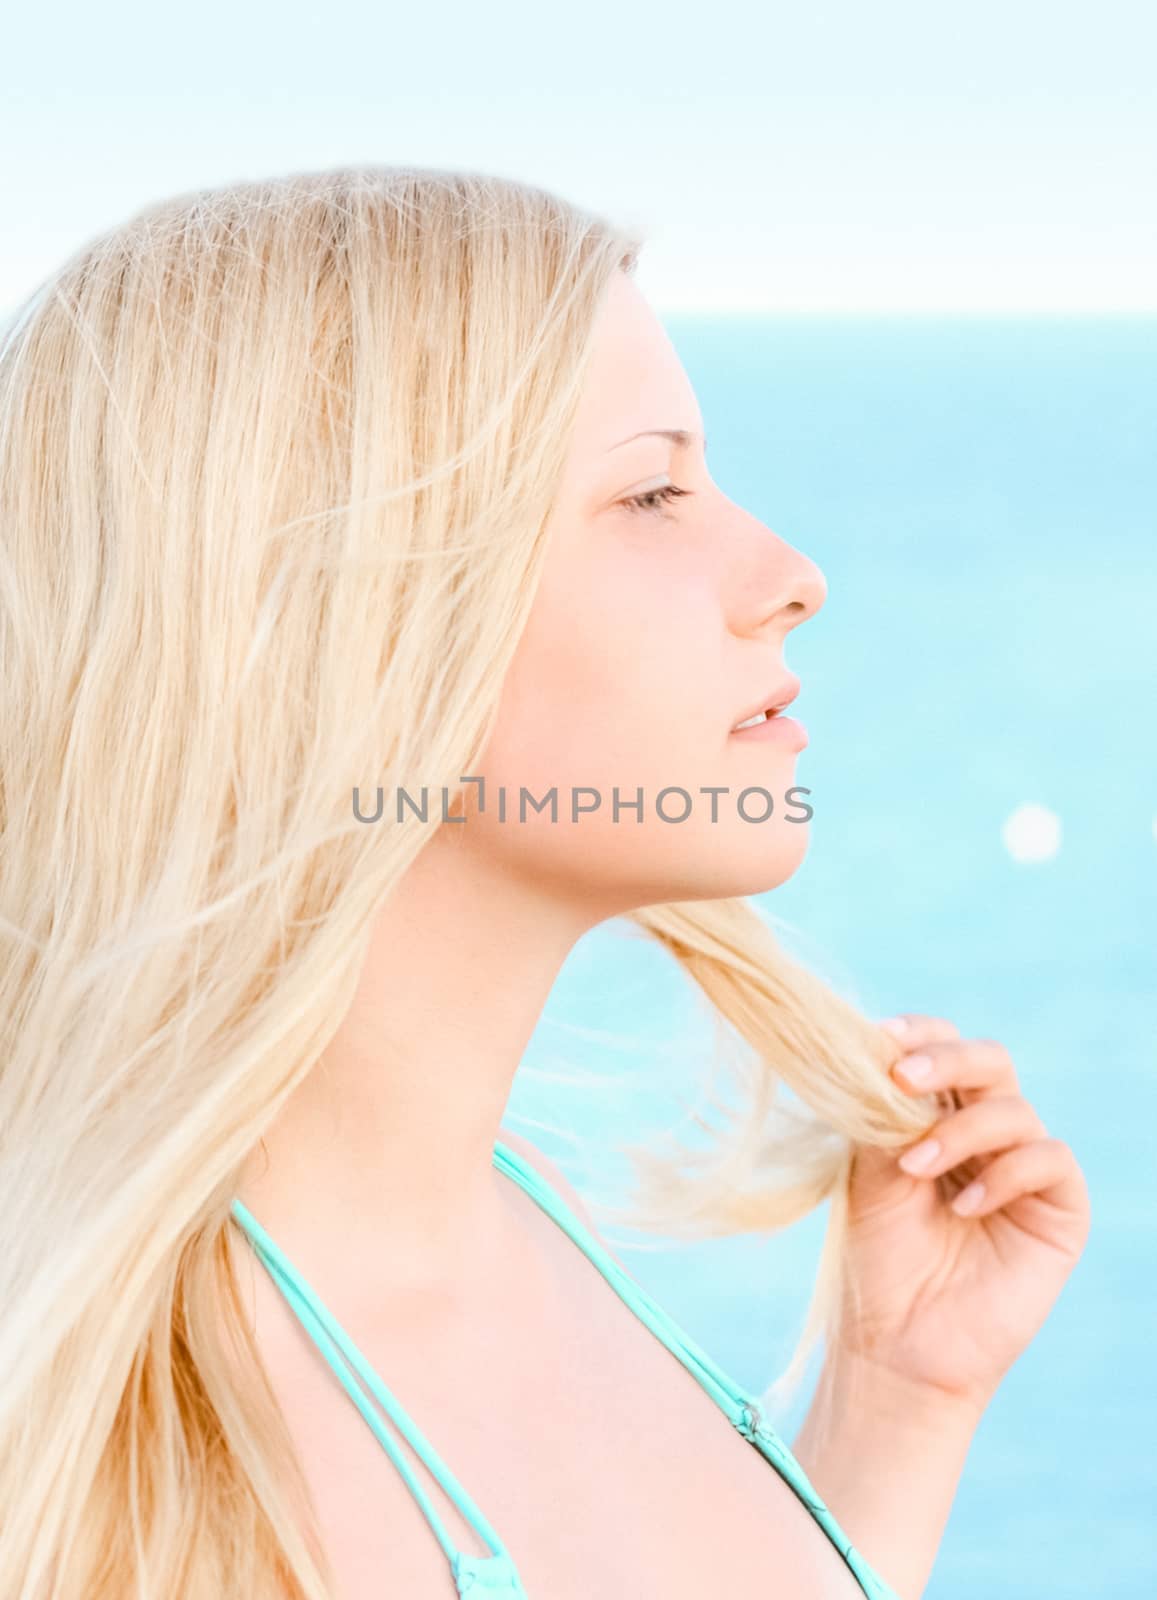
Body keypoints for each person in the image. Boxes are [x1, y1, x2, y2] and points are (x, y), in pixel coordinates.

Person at [0, 166, 1090, 1600]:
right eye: (650, 491)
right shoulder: (119, 1458)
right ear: (346, 620)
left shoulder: (525, 1240)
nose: (789, 572)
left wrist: (895, 1409)